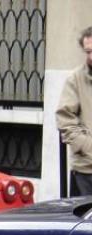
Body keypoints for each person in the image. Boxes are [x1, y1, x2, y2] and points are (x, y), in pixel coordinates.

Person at [56, 26, 92, 196]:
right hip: (86, 170)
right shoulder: (75, 79)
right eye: (88, 52)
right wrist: (88, 146)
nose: (91, 56)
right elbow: (65, 121)